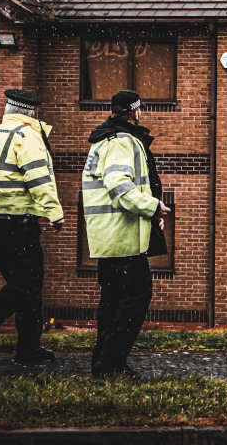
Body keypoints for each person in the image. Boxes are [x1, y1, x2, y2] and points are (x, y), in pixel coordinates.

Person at [0, 89, 64, 365]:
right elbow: (38, 174)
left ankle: (28, 349)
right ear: (31, 113)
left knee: (24, 287)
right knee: (27, 284)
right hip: (17, 224)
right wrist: (54, 213)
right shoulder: (26, 136)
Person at [82, 90, 171, 378]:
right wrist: (152, 206)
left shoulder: (105, 139)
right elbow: (119, 186)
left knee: (111, 304)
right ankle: (111, 364)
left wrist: (149, 215)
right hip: (123, 239)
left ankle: (103, 363)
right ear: (135, 112)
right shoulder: (122, 142)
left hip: (109, 239)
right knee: (134, 301)